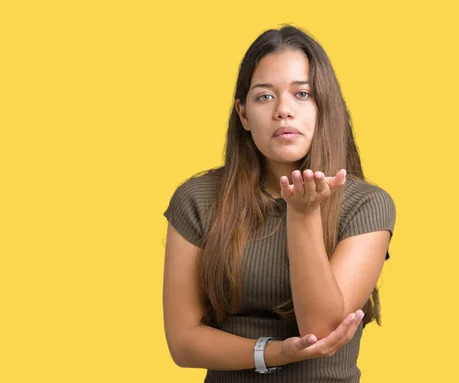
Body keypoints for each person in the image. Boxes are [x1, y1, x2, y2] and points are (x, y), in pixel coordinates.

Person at [162, 25, 396, 383]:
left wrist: (303, 213)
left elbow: (321, 331)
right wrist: (274, 352)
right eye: (264, 97)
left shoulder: (367, 205)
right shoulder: (198, 199)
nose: (284, 111)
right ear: (243, 115)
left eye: (302, 94)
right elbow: (183, 342)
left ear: (323, 107)